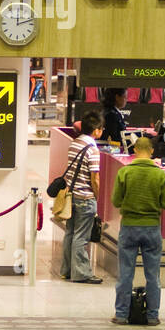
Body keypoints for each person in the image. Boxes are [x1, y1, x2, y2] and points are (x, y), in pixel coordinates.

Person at [110, 136, 165, 326]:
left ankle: (121, 315)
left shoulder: (125, 172)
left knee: (125, 274)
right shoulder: (160, 175)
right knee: (153, 275)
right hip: (152, 228)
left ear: (135, 150)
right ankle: (152, 316)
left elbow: (116, 201)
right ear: (152, 151)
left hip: (129, 227)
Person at [60, 111, 104, 285]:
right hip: (85, 197)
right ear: (96, 130)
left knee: (70, 233)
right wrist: (97, 197)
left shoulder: (75, 143)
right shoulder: (93, 149)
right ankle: (81, 273)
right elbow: (95, 178)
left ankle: (67, 270)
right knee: (81, 237)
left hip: (72, 196)